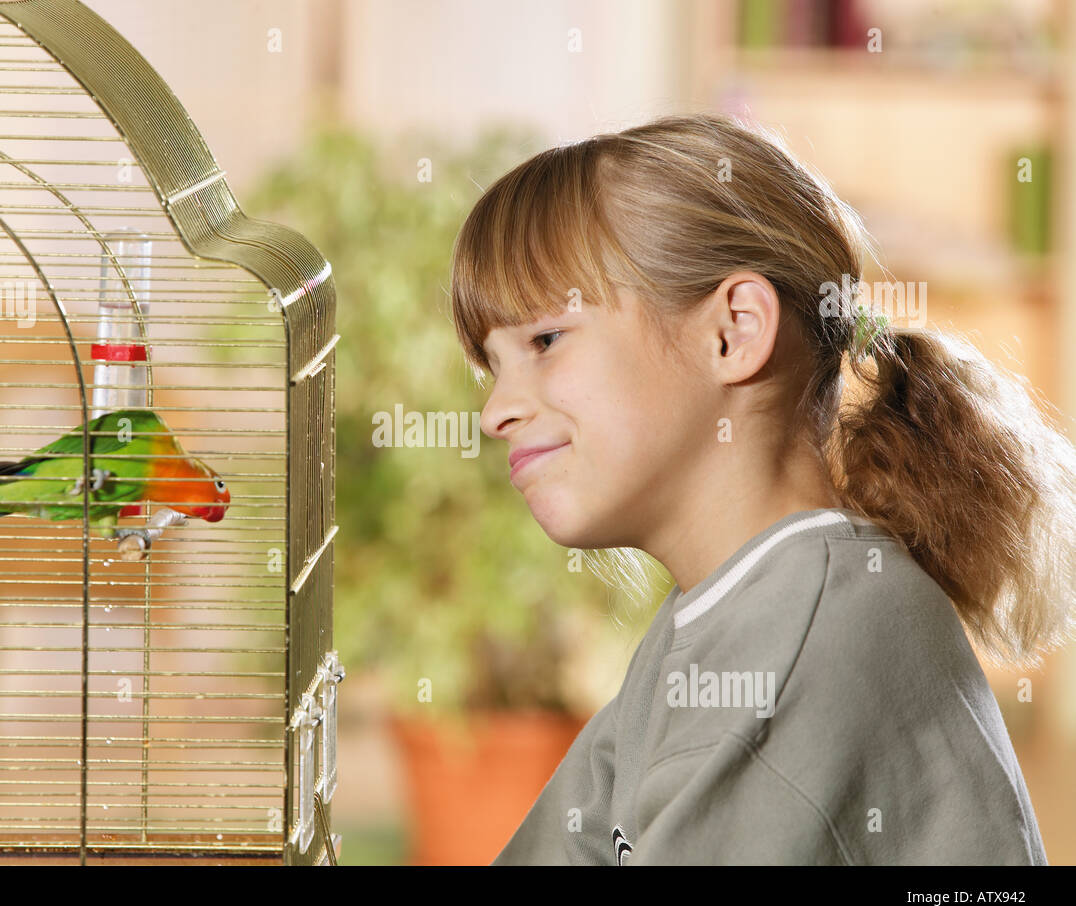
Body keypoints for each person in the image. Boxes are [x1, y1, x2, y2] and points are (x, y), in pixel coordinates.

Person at [448, 113, 1076, 865]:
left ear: (735, 330)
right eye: (492, 366)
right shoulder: (717, 617)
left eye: (544, 342)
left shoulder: (805, 637)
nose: (494, 413)